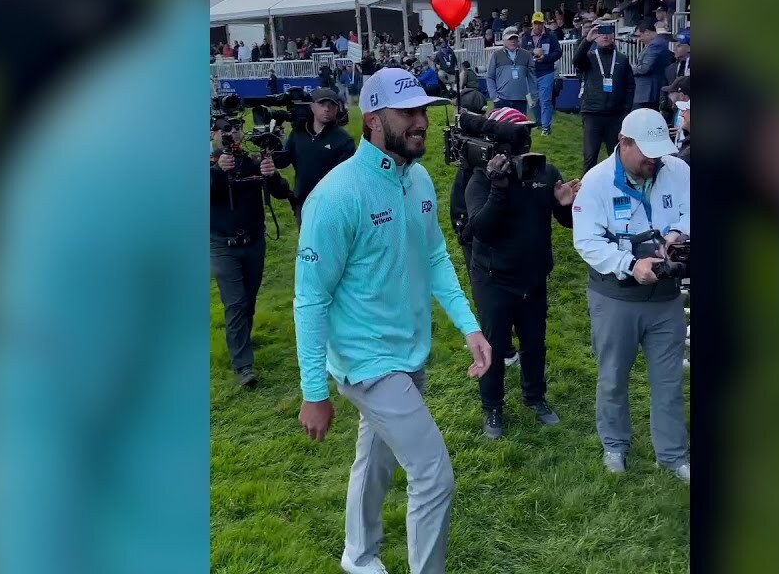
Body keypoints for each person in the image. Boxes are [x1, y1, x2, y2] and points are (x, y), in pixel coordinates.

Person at [294, 66, 491, 574]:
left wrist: (469, 326)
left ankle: (358, 556)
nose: (420, 121)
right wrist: (314, 391)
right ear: (373, 119)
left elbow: (435, 255)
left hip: (409, 351)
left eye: (423, 109)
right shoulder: (337, 196)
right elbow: (310, 299)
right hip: (367, 361)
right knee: (433, 475)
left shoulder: (417, 179)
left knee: (375, 459)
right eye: (407, 112)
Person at [572, 108, 690, 479]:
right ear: (623, 143)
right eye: (646, 154)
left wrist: (677, 235)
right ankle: (614, 446)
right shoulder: (596, 182)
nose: (654, 161)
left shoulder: (678, 170)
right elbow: (586, 241)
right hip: (616, 298)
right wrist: (629, 264)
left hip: (667, 298)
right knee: (612, 378)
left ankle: (673, 456)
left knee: (669, 382)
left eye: (659, 153)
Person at [464, 107, 578, 438]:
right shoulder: (480, 179)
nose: (524, 142)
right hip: (494, 280)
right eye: (517, 136)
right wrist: (499, 188)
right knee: (493, 345)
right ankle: (493, 407)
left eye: (526, 133)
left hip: (533, 279)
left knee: (534, 342)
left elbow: (566, 221)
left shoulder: (544, 172)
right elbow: (480, 230)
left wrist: (567, 206)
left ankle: (534, 397)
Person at [211, 131, 293, 388]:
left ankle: (241, 342)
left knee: (248, 299)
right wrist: (218, 171)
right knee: (235, 302)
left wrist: (272, 175)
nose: (232, 135)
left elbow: (282, 192)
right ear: (213, 133)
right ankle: (243, 366)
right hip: (222, 245)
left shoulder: (252, 162)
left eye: (236, 128)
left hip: (254, 241)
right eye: (225, 130)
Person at [273, 87, 356, 226]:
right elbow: (281, 162)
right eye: (322, 104)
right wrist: (273, 138)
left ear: (337, 109)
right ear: (312, 107)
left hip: (332, 206)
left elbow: (347, 179)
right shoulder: (298, 134)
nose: (327, 109)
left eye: (331, 105)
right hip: (303, 204)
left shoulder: (343, 140)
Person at [574, 19, 635, 174]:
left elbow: (630, 86)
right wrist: (587, 40)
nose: (605, 36)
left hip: (615, 115)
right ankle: (588, 185)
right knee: (590, 156)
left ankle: (618, 183)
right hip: (592, 114)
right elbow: (576, 61)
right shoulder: (590, 57)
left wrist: (626, 111)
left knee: (617, 155)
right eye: (600, 33)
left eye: (608, 32)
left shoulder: (621, 59)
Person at [520, 12, 564, 135]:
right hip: (531, 73)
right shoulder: (526, 37)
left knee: (545, 100)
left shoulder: (551, 35)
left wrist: (545, 58)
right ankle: (539, 123)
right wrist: (532, 52)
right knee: (533, 101)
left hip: (546, 72)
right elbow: (522, 52)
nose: (537, 26)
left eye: (540, 23)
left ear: (543, 23)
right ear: (532, 23)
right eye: (535, 23)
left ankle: (546, 127)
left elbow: (558, 52)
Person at [485, 26, 536, 113]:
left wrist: (533, 96)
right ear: (504, 40)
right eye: (510, 39)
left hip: (521, 100)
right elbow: (490, 77)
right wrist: (494, 96)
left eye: (515, 38)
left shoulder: (526, 55)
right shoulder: (496, 55)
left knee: (520, 122)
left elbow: (532, 77)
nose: (513, 41)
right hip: (501, 99)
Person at [631, 20, 674, 111]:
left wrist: (629, 68)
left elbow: (645, 68)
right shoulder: (656, 43)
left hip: (648, 92)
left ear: (647, 32)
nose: (638, 39)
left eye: (639, 36)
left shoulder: (655, 44)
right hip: (648, 92)